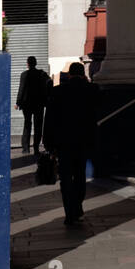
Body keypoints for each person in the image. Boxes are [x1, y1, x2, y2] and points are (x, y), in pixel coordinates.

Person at [42, 61, 98, 225]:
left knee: (65, 177)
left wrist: (48, 142)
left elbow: (50, 119)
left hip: (63, 142)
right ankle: (78, 206)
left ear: (70, 74)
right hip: (83, 141)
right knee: (80, 175)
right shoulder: (91, 91)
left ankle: (69, 212)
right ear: (83, 74)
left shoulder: (58, 92)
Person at [16, 55, 49, 155]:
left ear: (27, 64)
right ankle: (36, 148)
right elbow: (49, 84)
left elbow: (21, 89)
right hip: (39, 104)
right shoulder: (42, 74)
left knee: (27, 124)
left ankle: (26, 148)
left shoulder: (24, 74)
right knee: (38, 126)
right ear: (36, 63)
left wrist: (18, 102)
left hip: (27, 104)